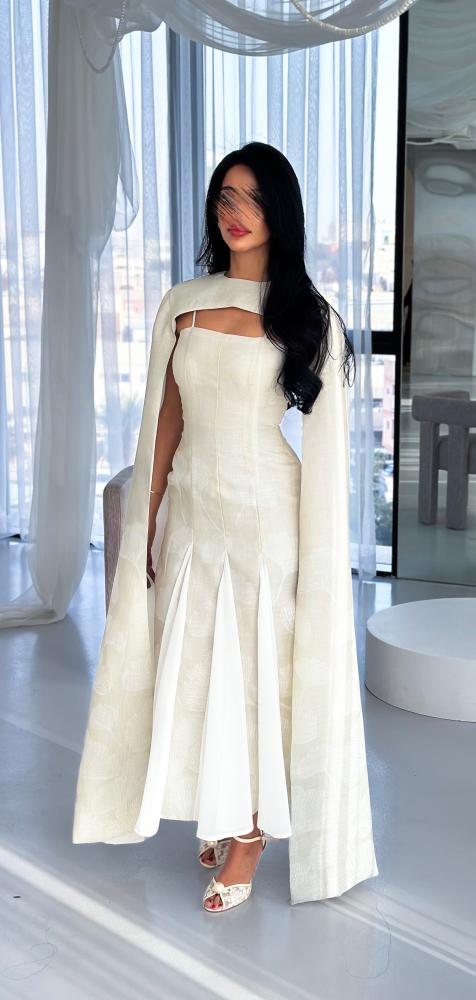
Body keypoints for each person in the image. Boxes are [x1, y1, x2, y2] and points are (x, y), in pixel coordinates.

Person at [72, 141, 379, 912]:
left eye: (253, 199)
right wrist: (145, 518)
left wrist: (322, 562)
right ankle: (220, 806)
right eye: (226, 198)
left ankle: (250, 832)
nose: (236, 213)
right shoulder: (183, 301)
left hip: (266, 517)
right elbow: (164, 421)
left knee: (255, 675)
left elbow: (328, 457)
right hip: (193, 513)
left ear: (280, 213)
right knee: (196, 668)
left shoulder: (310, 316)